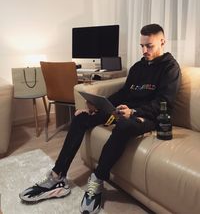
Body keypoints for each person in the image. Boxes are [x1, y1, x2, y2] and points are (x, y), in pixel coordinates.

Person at [19, 24, 181, 213]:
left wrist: (134, 112)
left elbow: (164, 102)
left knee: (123, 125)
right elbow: (124, 93)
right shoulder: (138, 67)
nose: (144, 50)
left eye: (149, 46)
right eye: (142, 46)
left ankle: (97, 180)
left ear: (162, 41)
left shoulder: (170, 68)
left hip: (148, 117)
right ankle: (58, 176)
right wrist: (100, 105)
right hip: (123, 110)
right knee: (81, 118)